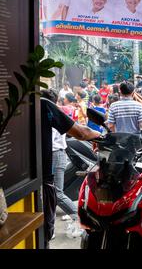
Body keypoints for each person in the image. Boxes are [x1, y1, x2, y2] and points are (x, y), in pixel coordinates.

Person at [40, 90, 101, 248]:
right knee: (51, 194)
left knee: (56, 193)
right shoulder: (47, 110)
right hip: (54, 155)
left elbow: (81, 132)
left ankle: (79, 217)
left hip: (55, 155)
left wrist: (97, 136)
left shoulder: (47, 110)